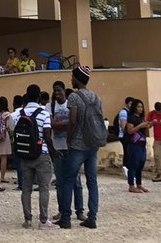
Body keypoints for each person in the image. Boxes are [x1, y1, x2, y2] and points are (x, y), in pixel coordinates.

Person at [11, 84, 58, 230]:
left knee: (26, 188)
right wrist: (53, 152)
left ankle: (27, 219)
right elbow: (48, 137)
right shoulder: (44, 113)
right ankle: (43, 221)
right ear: (38, 97)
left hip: (25, 155)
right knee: (44, 188)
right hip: (41, 154)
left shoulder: (19, 113)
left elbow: (13, 130)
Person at [59, 65, 100, 229]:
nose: (71, 80)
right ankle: (92, 217)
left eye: (72, 77)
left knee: (68, 179)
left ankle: (66, 218)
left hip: (78, 144)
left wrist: (69, 140)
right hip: (93, 143)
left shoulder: (74, 97)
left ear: (77, 79)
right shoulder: (96, 97)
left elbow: (73, 120)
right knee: (92, 181)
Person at [49, 83, 82, 221]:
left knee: (77, 181)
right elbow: (52, 125)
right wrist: (69, 124)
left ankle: (79, 210)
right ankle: (62, 210)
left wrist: (60, 125)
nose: (57, 93)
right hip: (57, 148)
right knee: (60, 182)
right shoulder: (49, 106)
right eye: (55, 91)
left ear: (64, 91)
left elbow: (75, 123)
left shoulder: (71, 104)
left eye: (59, 91)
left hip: (72, 147)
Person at [124, 99, 151, 193]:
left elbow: (145, 132)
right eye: (138, 107)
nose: (140, 109)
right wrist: (140, 126)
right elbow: (130, 131)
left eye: (141, 107)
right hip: (134, 144)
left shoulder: (142, 118)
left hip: (142, 144)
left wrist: (148, 125)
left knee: (140, 164)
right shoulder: (131, 118)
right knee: (133, 165)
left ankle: (139, 184)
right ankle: (131, 185)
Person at [0, 96, 13, 185]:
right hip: (4, 135)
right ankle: (2, 177)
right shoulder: (7, 114)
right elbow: (9, 127)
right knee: (4, 157)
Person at [116, 96, 133, 174]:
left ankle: (129, 168)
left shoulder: (130, 112)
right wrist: (127, 133)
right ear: (126, 104)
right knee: (127, 152)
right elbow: (123, 125)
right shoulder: (123, 112)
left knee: (129, 152)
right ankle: (126, 168)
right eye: (130, 104)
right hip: (124, 135)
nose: (131, 105)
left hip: (129, 135)